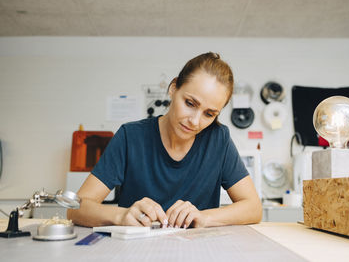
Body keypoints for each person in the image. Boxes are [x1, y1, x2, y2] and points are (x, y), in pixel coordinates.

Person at [67, 52, 262, 229]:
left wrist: (205, 217)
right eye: (190, 103)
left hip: (198, 252)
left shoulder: (219, 140)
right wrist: (121, 215)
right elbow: (75, 208)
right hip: (136, 251)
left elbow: (254, 208)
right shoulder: (130, 137)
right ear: (173, 88)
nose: (194, 121)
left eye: (209, 114)